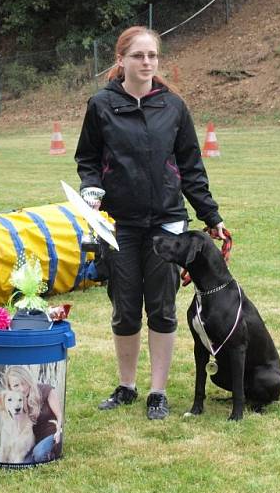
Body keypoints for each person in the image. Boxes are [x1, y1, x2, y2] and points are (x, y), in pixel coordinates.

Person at [75, 25, 225, 420]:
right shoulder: (101, 105)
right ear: (120, 60)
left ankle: (157, 392)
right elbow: (88, 160)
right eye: (138, 56)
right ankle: (127, 386)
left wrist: (210, 216)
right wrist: (91, 189)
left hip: (167, 224)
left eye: (152, 56)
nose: (146, 62)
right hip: (120, 224)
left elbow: (192, 166)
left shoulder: (173, 106)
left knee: (161, 308)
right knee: (125, 309)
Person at [4, 366, 63, 462]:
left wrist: (58, 432)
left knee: (39, 454)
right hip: (33, 442)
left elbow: (59, 415)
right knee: (24, 463)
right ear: (10, 387)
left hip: (51, 434)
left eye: (24, 383)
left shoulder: (45, 390)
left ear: (28, 380)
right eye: (16, 385)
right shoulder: (14, 404)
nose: (22, 389)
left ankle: (51, 454)